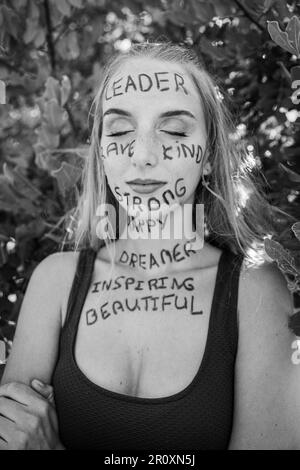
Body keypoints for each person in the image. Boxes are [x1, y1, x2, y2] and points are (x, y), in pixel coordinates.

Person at [0, 41, 298, 450]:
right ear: (102, 151)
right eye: (120, 130)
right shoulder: (55, 283)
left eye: (174, 130)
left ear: (209, 154)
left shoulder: (257, 292)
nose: (142, 154)